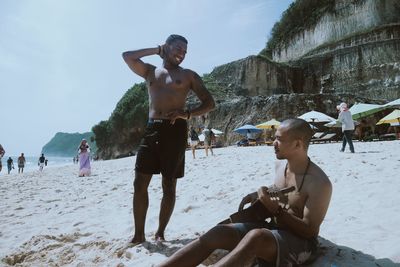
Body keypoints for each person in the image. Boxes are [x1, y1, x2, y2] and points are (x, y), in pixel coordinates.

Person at [158, 118, 332, 267]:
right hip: (275, 229)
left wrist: (277, 211)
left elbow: (309, 231)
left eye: (279, 139)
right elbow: (280, 191)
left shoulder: (319, 183)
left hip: (302, 243)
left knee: (256, 237)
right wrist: (258, 195)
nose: (273, 142)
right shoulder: (281, 165)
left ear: (297, 144)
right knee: (218, 232)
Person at [122, 34, 215, 244]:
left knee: (169, 185)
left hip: (175, 130)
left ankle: (160, 232)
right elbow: (127, 56)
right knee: (140, 183)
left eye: (185, 51)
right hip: (152, 128)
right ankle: (138, 235)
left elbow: (210, 102)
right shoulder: (150, 71)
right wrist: (156, 49)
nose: (181, 54)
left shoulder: (188, 75)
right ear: (167, 46)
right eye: (178, 49)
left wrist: (187, 114)